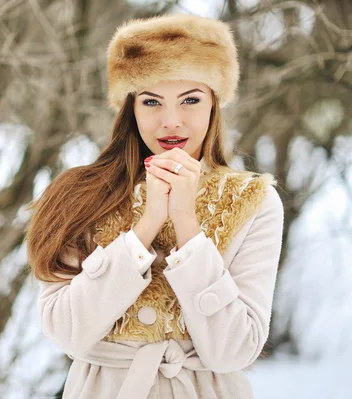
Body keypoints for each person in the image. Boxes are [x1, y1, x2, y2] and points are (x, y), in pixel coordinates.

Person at [25, 13, 284, 399]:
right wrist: (144, 229)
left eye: (190, 100)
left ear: (214, 104)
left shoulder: (253, 202)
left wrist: (186, 224)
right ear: (130, 107)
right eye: (152, 101)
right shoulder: (77, 194)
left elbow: (235, 350)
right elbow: (67, 333)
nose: (171, 122)